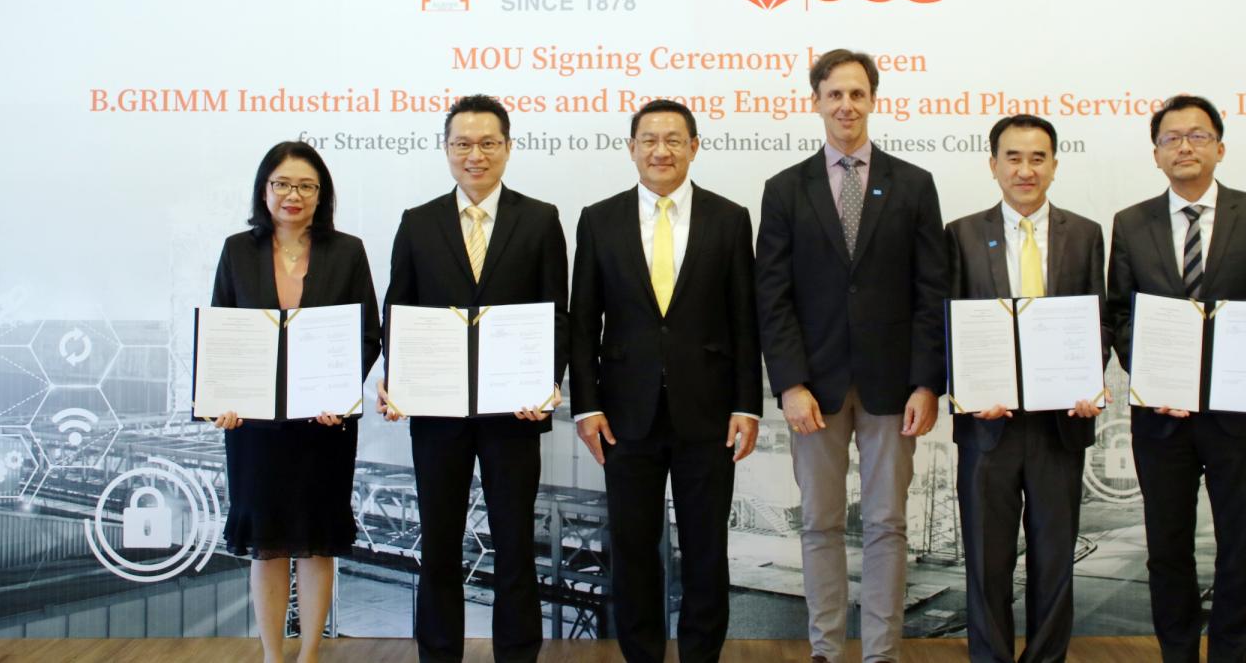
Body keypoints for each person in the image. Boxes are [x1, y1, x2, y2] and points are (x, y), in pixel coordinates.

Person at [755, 48, 946, 663]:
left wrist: (926, 383)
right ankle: (827, 650)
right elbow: (773, 296)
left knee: (888, 523)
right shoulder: (784, 190)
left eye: (857, 94)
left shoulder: (914, 185)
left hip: (894, 388)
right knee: (820, 523)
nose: (846, 105)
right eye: (834, 94)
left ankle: (883, 652)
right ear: (815, 102)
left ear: (873, 100)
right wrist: (789, 383)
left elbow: (929, 293)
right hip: (816, 387)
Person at [1108, 94, 1246, 663]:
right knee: (1166, 547)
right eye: (1172, 138)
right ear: (1156, 155)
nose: (1185, 146)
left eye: (1198, 136)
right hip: (1161, 419)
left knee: (1238, 546)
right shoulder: (1131, 222)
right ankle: (1176, 652)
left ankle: (1230, 653)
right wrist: (1146, 371)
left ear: (1220, 147)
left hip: (1239, 416)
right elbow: (1119, 313)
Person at [377, 94, 569, 663]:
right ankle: (438, 654)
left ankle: (517, 655)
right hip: (437, 415)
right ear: (446, 149)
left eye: (488, 143)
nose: (475, 155)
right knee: (438, 543)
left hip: (514, 413)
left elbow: (557, 312)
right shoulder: (418, 222)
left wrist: (547, 382)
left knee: (515, 546)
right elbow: (398, 311)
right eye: (463, 143)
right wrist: (396, 379)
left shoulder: (540, 219)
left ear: (508, 148)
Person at [569, 99, 762, 663]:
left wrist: (747, 405)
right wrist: (587, 405)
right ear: (631, 149)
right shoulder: (598, 219)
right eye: (649, 139)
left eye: (674, 139)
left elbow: (744, 321)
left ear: (694, 147)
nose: (661, 150)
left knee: (706, 550)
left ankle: (701, 655)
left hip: (709, 412)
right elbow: (583, 323)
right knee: (632, 549)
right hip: (624, 416)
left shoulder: (729, 218)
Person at [944, 115, 1108, 663]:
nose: (1025, 169)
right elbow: (948, 326)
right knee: (987, 561)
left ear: (1055, 166)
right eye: (1013, 157)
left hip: (1061, 426)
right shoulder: (961, 234)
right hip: (988, 426)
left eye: (1038, 158)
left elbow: (1098, 321)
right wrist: (966, 388)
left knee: (1054, 561)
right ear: (993, 165)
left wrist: (1089, 381)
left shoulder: (1085, 234)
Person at [211, 140, 382, 663]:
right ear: (264, 190)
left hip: (323, 424)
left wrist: (339, 390)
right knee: (267, 544)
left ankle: (309, 654)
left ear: (321, 195)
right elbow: (224, 330)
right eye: (282, 183)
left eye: (306, 186)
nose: (293, 195)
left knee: (316, 539)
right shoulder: (237, 249)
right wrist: (224, 396)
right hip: (255, 426)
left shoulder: (347, 250)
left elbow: (367, 334)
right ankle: (271, 653)